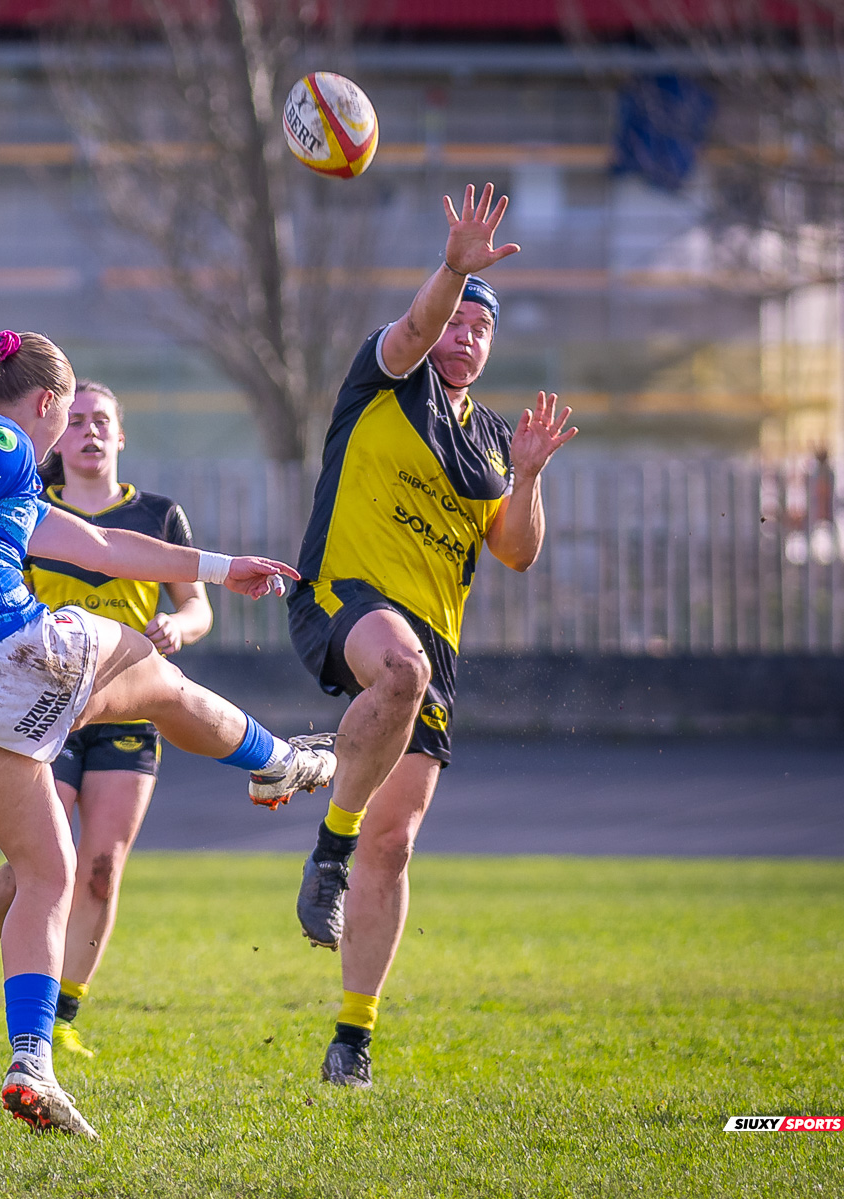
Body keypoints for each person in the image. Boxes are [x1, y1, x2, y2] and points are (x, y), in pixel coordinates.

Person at [0, 325, 335, 1138]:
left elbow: (98, 546)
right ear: (47, 403)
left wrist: (216, 568)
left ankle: (31, 1062)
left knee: (47, 869)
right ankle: (278, 760)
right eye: (69, 412)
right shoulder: (0, 440)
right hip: (4, 650)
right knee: (158, 678)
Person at [284, 183, 577, 1089]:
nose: (466, 336)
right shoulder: (386, 375)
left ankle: (353, 1039)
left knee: (396, 843)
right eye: (459, 321)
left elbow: (517, 552)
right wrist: (454, 270)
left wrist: (527, 477)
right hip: (343, 596)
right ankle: (327, 849)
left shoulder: (490, 439)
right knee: (399, 672)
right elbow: (416, 326)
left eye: (483, 329)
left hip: (432, 649)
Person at [0, 380, 213, 1058]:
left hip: (127, 703)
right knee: (36, 863)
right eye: (75, 420)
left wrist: (180, 626)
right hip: (45, 702)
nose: (89, 431)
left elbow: (197, 606)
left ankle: (63, 1015)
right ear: (55, 430)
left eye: (102, 420)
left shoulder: (159, 514)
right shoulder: (26, 503)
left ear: (121, 435)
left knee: (102, 866)